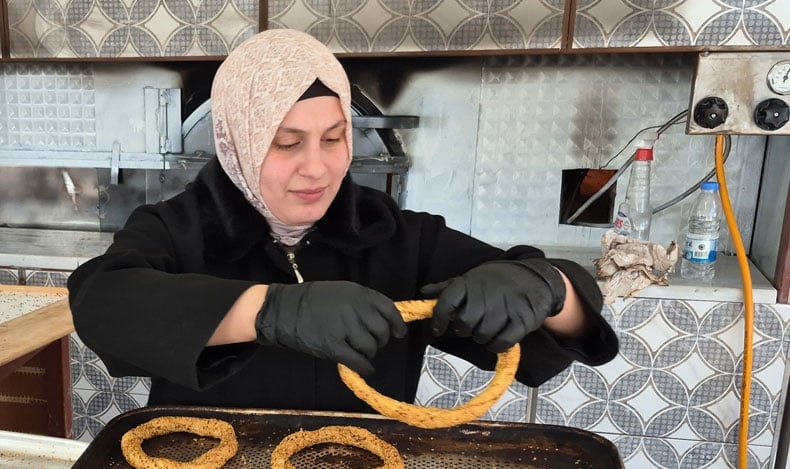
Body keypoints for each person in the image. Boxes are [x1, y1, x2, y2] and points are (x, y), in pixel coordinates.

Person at [68, 29, 618, 412]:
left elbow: (556, 327)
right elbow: (102, 305)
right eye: (286, 144)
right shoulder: (176, 229)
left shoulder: (401, 241)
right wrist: (271, 312)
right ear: (236, 143)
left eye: (334, 139)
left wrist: (549, 287)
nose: (317, 168)